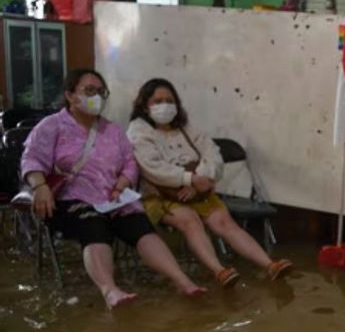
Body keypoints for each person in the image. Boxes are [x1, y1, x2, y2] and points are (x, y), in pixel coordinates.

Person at [22, 68, 205, 308]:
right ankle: (110, 290)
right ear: (70, 95)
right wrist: (40, 185)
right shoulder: (52, 126)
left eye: (100, 91)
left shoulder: (113, 130)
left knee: (140, 226)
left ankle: (183, 282)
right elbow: (32, 158)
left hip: (113, 197)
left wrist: (124, 182)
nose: (96, 96)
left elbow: (130, 162)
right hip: (71, 199)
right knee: (93, 226)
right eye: (89, 90)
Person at [127, 78, 293, 287]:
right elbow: (153, 167)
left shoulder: (185, 127)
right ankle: (220, 271)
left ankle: (269, 265)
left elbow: (212, 153)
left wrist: (199, 180)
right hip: (160, 195)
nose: (165, 105)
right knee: (190, 221)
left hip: (198, 189)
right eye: (158, 101)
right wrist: (190, 179)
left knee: (224, 222)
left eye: (170, 100)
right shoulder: (138, 130)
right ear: (144, 105)